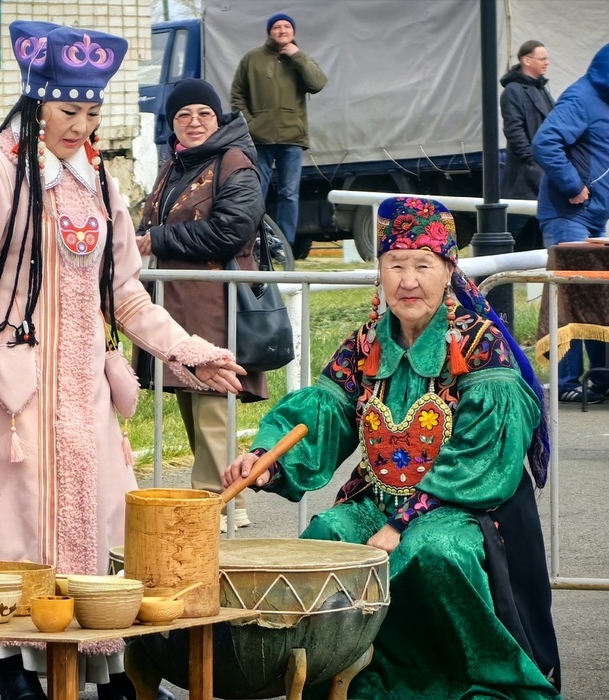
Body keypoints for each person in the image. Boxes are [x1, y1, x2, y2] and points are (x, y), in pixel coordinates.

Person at [0, 21, 244, 700]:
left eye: (92, 113)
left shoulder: (98, 182)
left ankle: (104, 670)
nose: (81, 126)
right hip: (5, 384)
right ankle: (12, 666)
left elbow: (126, 296)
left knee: (95, 523)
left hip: (82, 390)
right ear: (36, 103)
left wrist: (189, 351)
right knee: (5, 527)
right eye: (70, 110)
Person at [222, 197, 562, 699]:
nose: (408, 280)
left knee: (435, 550)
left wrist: (402, 523)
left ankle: (479, 681)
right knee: (329, 536)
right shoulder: (364, 344)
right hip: (376, 500)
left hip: (463, 507)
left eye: (423, 265)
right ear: (378, 271)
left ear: (449, 270)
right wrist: (269, 460)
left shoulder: (480, 345)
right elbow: (325, 412)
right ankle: (340, 677)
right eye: (395, 264)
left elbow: (484, 455)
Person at [135, 78, 266, 532]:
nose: (194, 122)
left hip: (216, 302)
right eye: (183, 115)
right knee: (192, 404)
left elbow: (232, 230)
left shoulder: (234, 163)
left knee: (212, 403)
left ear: (218, 118)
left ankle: (216, 504)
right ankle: (230, 501)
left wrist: (157, 239)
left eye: (203, 114)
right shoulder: (176, 164)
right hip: (179, 301)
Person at [533, 41, 609, 403]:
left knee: (595, 295)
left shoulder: (607, 101)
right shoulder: (581, 98)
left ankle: (603, 377)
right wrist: (573, 186)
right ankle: (566, 382)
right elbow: (544, 142)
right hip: (569, 214)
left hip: (592, 216)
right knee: (569, 296)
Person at [230, 12, 327, 253]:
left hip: (292, 139)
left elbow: (318, 84)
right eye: (277, 27)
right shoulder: (252, 59)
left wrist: (297, 55)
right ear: (269, 32)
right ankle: (253, 242)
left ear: (293, 31)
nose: (282, 30)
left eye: (287, 27)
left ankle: (283, 246)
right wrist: (251, 125)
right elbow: (237, 95)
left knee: (289, 194)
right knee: (256, 193)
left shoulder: (300, 59)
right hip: (259, 139)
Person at [500, 40, 555, 251]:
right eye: (543, 59)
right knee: (517, 237)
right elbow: (514, 131)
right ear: (527, 60)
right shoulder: (513, 91)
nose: (547, 63)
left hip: (541, 173)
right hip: (524, 178)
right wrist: (533, 161)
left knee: (538, 240)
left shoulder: (541, 89)